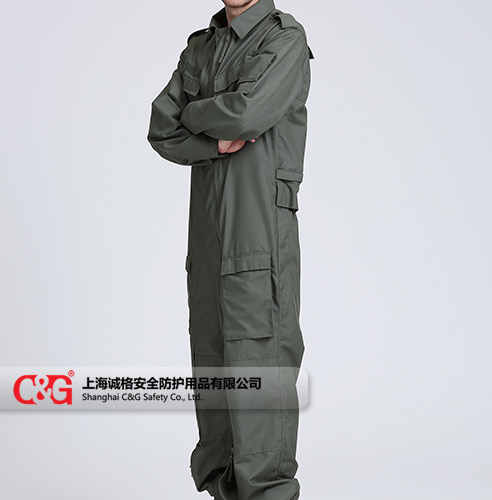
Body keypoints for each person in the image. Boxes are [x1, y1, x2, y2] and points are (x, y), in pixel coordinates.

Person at [147, 0, 313, 498]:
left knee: (259, 371)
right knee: (213, 373)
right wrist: (211, 142)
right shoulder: (201, 48)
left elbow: (247, 113)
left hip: (258, 232)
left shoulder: (283, 39)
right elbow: (161, 128)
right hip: (207, 238)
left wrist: (195, 112)